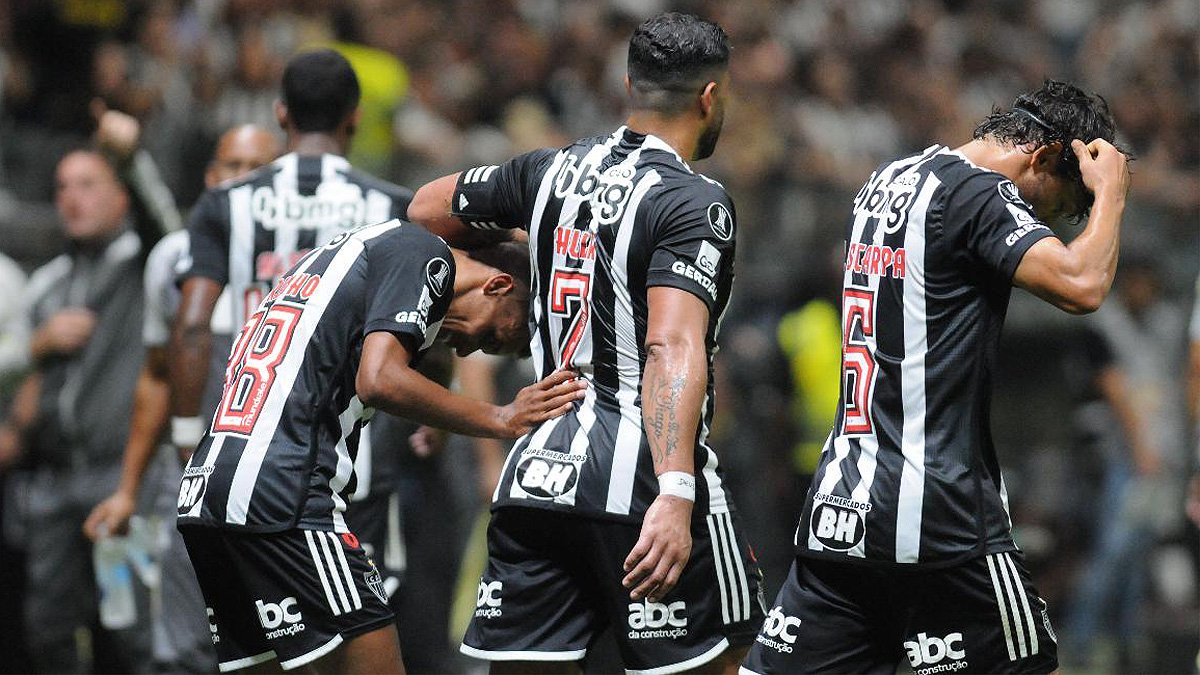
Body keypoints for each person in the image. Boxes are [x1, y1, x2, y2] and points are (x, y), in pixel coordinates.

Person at [408, 12, 766, 674]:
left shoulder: (547, 171)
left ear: (630, 84)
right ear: (711, 98)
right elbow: (671, 347)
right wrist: (677, 490)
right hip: (637, 477)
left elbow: (425, 209)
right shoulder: (694, 202)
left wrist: (534, 254)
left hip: (537, 471)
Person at [739, 79, 1131, 675]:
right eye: (1059, 205)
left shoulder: (890, 178)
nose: (1045, 223)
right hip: (940, 512)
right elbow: (1082, 285)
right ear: (1045, 157)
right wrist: (1111, 196)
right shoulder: (978, 193)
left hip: (842, 505)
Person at [175, 219, 587, 673]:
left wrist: (434, 411)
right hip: (282, 491)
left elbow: (375, 356)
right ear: (498, 284)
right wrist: (500, 416)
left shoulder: (358, 249)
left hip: (208, 489)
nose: (471, 353)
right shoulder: (425, 255)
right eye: (494, 336)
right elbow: (380, 379)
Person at [169, 50, 421, 639]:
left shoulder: (226, 203)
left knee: (260, 639)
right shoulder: (389, 206)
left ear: (281, 113)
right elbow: (421, 320)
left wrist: (186, 437)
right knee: (359, 633)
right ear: (355, 118)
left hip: (244, 454)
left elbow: (191, 324)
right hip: (349, 463)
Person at [83, 122, 281, 674]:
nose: (242, 182)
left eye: (256, 169)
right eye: (232, 168)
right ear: (210, 176)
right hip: (188, 468)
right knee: (182, 636)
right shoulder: (173, 257)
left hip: (281, 473)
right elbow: (157, 376)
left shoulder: (310, 257)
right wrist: (127, 489)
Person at [0, 146, 159, 672]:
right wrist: (37, 346)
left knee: (134, 629)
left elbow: (167, 225)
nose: (72, 198)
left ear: (119, 196)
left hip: (120, 478)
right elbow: (18, 370)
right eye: (63, 187)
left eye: (89, 183)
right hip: (53, 482)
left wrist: (132, 156)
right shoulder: (48, 282)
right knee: (47, 630)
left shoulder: (144, 265)